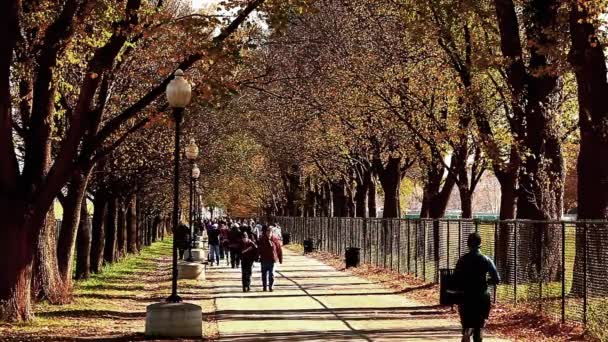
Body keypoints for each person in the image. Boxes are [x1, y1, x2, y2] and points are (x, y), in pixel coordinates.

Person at [454, 232, 500, 342]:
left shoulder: (462, 260)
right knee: (479, 326)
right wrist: (486, 282)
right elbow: (496, 279)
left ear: (468, 244)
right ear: (480, 244)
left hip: (466, 297)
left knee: (467, 324)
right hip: (482, 296)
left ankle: (467, 333)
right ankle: (477, 335)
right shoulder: (486, 260)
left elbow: (456, 278)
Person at [258, 225, 283, 292]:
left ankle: (271, 286)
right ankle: (264, 286)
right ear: (265, 232)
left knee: (271, 274)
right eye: (267, 232)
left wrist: (280, 258)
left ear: (272, 232)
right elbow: (259, 249)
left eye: (270, 232)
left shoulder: (275, 239)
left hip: (272, 260)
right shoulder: (262, 239)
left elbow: (279, 249)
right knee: (264, 274)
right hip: (264, 259)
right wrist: (257, 256)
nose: (269, 233)